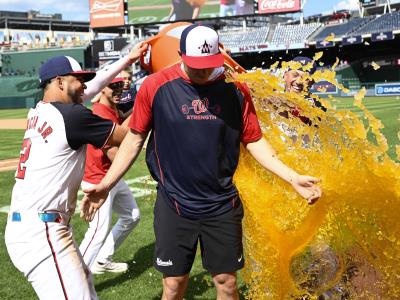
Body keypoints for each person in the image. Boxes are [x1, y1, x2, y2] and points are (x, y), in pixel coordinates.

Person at [80, 25, 321, 300]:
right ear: (181, 54)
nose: (203, 71)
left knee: (227, 283)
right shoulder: (155, 86)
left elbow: (253, 140)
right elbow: (134, 139)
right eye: (196, 66)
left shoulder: (235, 90)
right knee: (173, 285)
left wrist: (292, 177)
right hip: (174, 203)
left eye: (209, 65)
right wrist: (106, 184)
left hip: (222, 204)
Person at [5, 42, 147, 300]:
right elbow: (128, 137)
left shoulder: (39, 110)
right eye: (78, 80)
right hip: (42, 233)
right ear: (59, 82)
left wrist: (128, 59)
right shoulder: (72, 117)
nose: (85, 86)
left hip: (31, 225)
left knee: (86, 292)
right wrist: (149, 99)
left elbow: (92, 86)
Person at [80, 76, 140, 274]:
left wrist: (138, 106)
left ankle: (102, 260)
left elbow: (123, 121)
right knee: (96, 233)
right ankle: (74, 276)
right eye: (113, 85)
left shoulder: (110, 109)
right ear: (102, 89)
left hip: (110, 177)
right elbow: (115, 156)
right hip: (98, 180)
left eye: (120, 85)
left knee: (132, 216)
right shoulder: (99, 113)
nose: (118, 89)